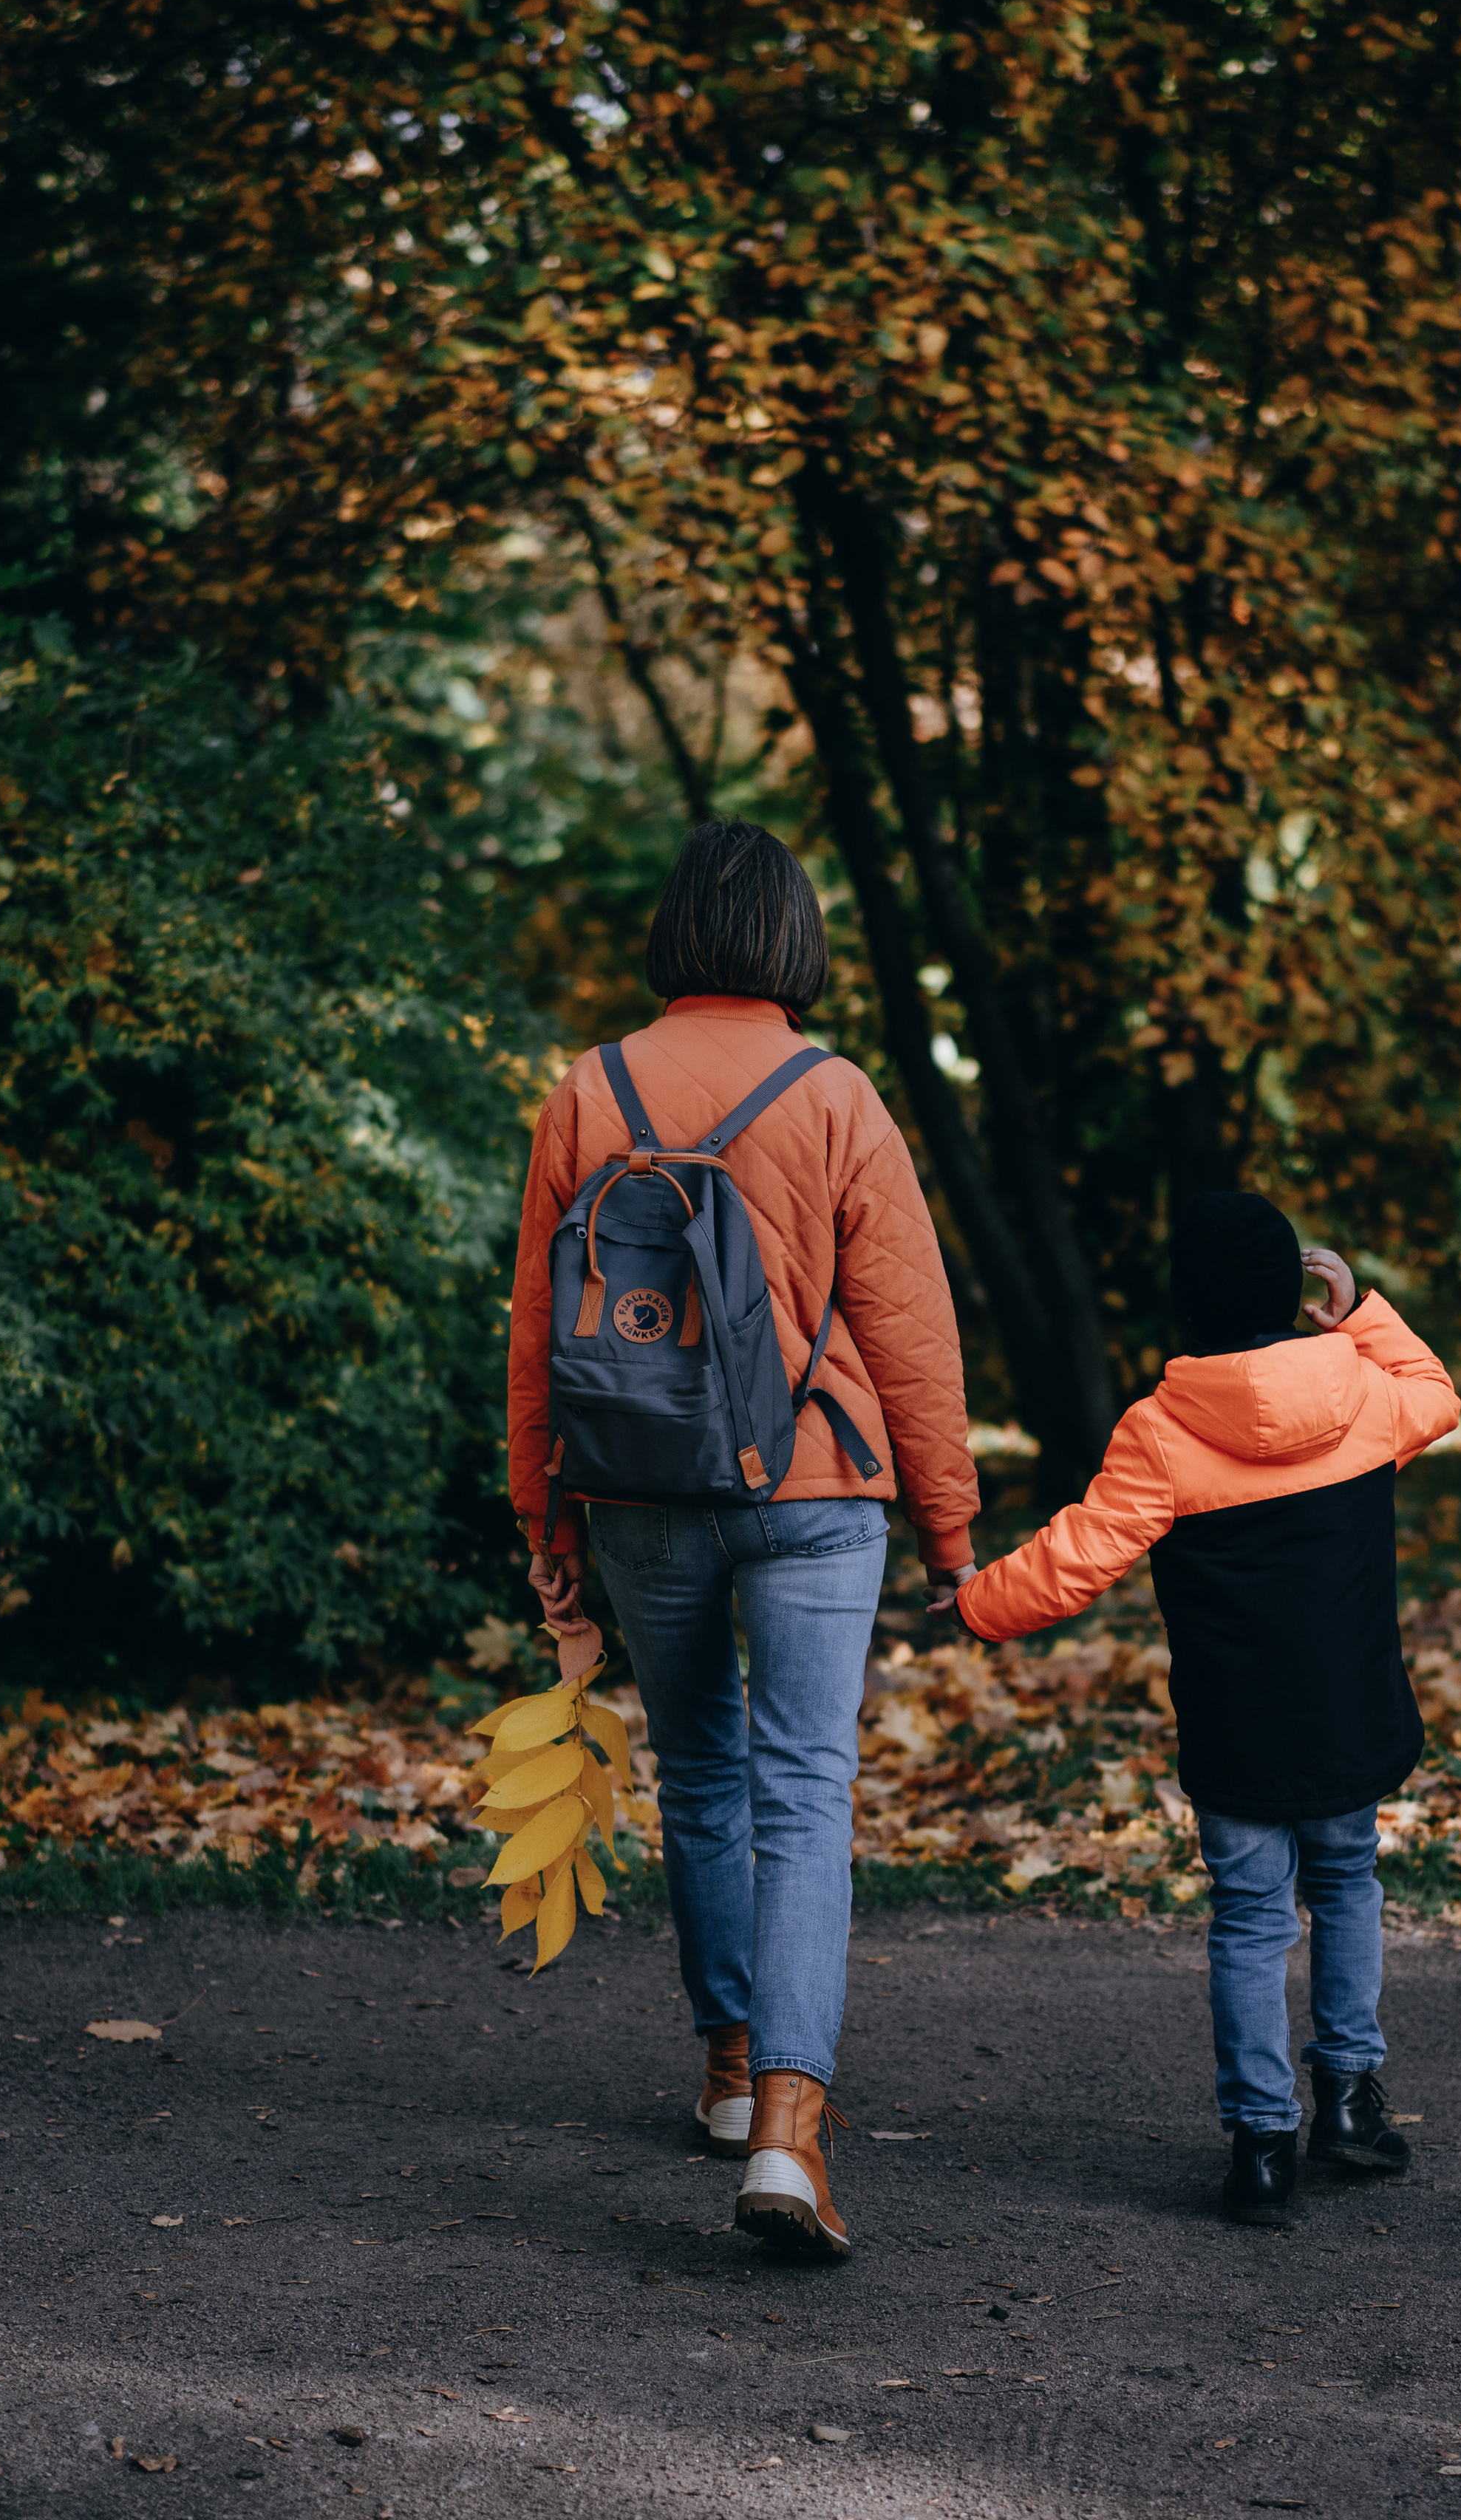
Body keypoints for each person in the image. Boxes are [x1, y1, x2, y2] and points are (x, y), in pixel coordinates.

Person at [507, 819, 978, 2258]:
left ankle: (724, 2073)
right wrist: (950, 1534)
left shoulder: (588, 1092)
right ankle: (786, 2133)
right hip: (814, 1491)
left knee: (701, 1773)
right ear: (794, 938)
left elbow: (538, 1333)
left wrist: (543, 1514)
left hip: (638, 1491)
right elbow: (909, 1337)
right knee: (802, 1793)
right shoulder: (836, 1097)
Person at [932, 1191, 1460, 2225]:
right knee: (1349, 1884)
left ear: (1186, 1310)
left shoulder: (1165, 1432)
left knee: (1252, 1920)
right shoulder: (1363, 1394)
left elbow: (1077, 1555)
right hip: (1352, 1712)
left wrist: (978, 1605)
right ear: (1289, 1292)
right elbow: (1434, 1392)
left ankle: (1262, 2145)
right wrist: (1355, 1312)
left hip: (1237, 1728)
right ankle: (1348, 2101)